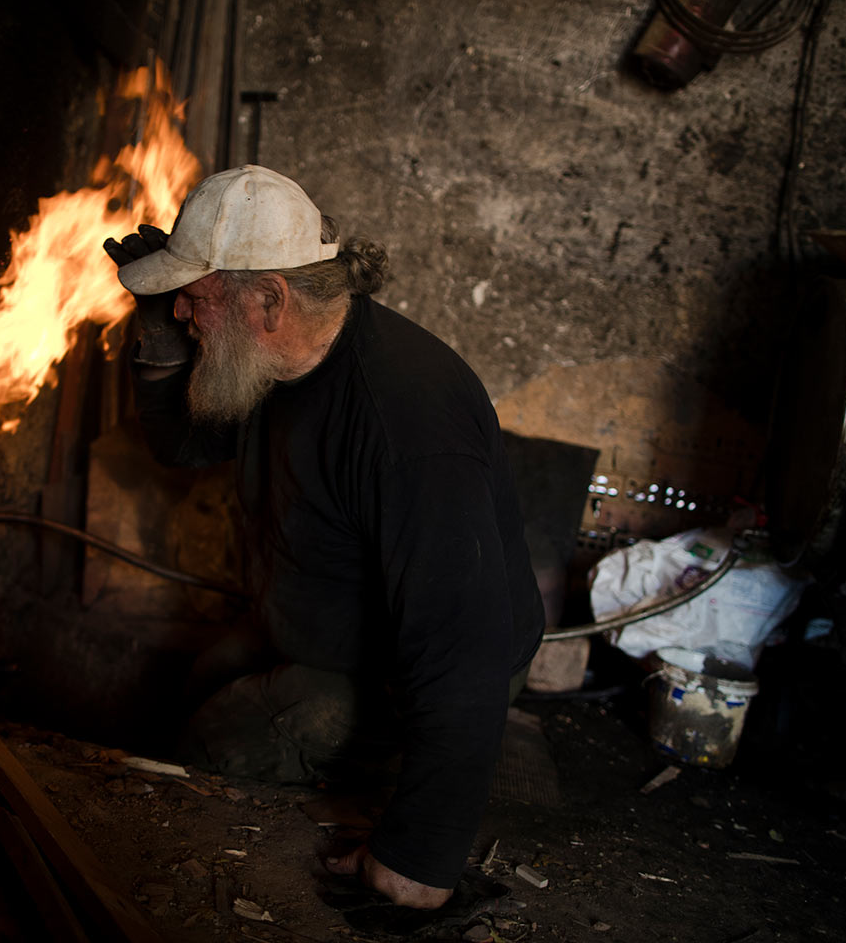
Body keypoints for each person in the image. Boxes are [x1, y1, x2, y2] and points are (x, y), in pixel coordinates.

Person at [104, 164, 544, 910]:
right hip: (318, 623)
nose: (183, 311)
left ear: (270, 298)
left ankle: (378, 772)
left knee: (211, 745)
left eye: (197, 297)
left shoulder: (406, 421)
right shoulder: (276, 356)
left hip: (411, 666)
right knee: (197, 678)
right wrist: (159, 333)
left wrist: (418, 860)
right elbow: (182, 449)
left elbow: (461, 646)